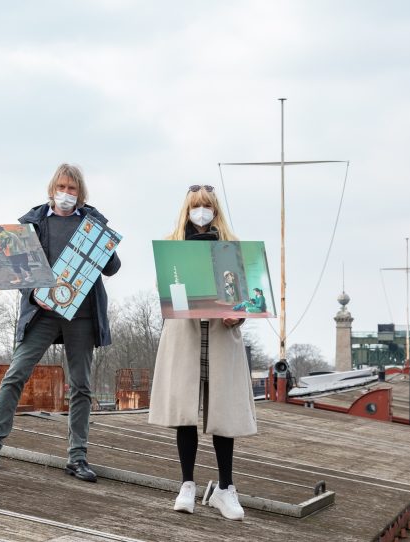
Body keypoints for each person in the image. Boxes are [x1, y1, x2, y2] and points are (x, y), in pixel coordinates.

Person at [0, 164, 121, 482]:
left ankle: (77, 457)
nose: (67, 194)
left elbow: (112, 268)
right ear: (52, 189)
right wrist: (31, 291)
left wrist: (102, 243)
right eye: (62, 187)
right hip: (41, 313)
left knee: (81, 386)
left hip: (81, 316)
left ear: (80, 193)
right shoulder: (33, 223)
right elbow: (17, 268)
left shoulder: (91, 222)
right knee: (15, 375)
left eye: (73, 189)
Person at [148, 184, 257, 520]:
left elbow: (246, 297)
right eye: (196, 206)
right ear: (187, 209)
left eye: (207, 206)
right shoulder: (172, 246)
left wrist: (237, 314)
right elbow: (166, 292)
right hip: (186, 334)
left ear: (215, 210)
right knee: (185, 410)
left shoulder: (232, 247)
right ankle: (187, 484)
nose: (201, 212)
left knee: (223, 411)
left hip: (222, 336)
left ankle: (226, 488)